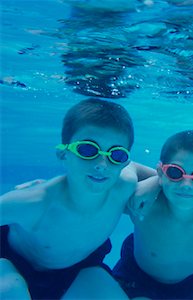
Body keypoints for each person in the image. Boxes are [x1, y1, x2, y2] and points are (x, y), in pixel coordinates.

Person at [0, 98, 151, 299]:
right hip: (13, 264)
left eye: (116, 155)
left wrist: (152, 185)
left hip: (77, 269)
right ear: (63, 155)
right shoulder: (34, 202)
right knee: (12, 290)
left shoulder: (124, 186)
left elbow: (171, 179)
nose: (102, 164)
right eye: (88, 150)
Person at [112, 130, 193, 299]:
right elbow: (121, 165)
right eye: (175, 173)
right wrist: (154, 181)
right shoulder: (143, 202)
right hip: (139, 277)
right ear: (161, 173)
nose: (187, 184)